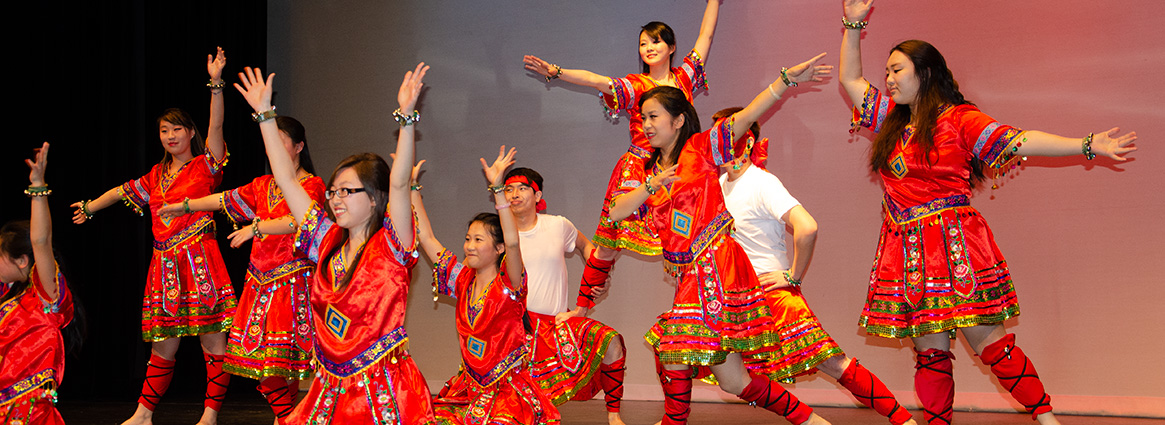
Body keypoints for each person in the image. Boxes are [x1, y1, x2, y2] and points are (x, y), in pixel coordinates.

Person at [838, 1, 1138, 424]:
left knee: (993, 347)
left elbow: (1019, 140)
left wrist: (1086, 144)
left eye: (896, 70)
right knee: (931, 356)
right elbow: (850, 79)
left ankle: (1047, 418)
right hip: (907, 254)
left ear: (924, 73)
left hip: (954, 247)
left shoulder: (959, 119)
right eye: (885, 71)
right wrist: (853, 23)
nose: (886, 79)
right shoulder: (891, 120)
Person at [607, 54, 833, 425]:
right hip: (690, 274)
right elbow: (616, 212)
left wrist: (784, 81)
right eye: (642, 117)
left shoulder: (700, 149)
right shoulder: (644, 169)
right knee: (734, 380)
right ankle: (811, 421)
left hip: (715, 264)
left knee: (673, 349)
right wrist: (650, 185)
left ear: (678, 120)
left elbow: (743, 118)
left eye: (653, 117)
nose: (645, 125)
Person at [234, 62, 437, 424]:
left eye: (347, 191)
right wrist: (265, 115)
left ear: (374, 198)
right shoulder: (324, 238)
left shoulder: (391, 244)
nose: (336, 199)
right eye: (332, 191)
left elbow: (401, 184)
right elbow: (285, 178)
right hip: (328, 387)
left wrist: (407, 118)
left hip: (383, 391)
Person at [522, 1, 720, 317]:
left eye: (655, 41)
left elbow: (705, 37)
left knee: (689, 242)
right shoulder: (636, 86)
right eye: (643, 43)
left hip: (678, 172)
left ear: (670, 47)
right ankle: (582, 310)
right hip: (638, 171)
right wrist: (557, 72)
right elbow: (596, 80)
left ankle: (694, 314)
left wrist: (713, 2)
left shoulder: (684, 78)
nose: (648, 48)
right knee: (608, 244)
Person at [72, 47, 236, 425]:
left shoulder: (206, 165)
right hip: (164, 267)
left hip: (200, 263)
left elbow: (217, 127)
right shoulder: (155, 175)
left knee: (213, 344)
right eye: (164, 130)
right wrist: (90, 207)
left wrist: (215, 84)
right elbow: (121, 191)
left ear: (190, 132)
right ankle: (144, 414)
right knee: (163, 346)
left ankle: (210, 415)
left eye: (177, 128)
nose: (170, 135)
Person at [158, 116, 325, 422]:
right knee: (264, 365)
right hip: (259, 285)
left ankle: (285, 418)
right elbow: (224, 199)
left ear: (299, 146)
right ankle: (288, 417)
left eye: (281, 140)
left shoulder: (312, 185)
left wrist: (255, 228)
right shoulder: (262, 185)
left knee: (282, 364)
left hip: (291, 285)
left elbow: (300, 220)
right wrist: (183, 206)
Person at [416, 147, 560, 425]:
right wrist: (410, 188)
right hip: (468, 387)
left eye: (478, 240)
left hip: (507, 392)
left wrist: (497, 189)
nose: (469, 246)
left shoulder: (510, 284)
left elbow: (514, 241)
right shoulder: (461, 280)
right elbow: (428, 239)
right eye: (468, 239)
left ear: (499, 248)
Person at [498, 166, 626, 425]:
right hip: (514, 329)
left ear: (537, 195)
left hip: (556, 322)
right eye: (508, 189)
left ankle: (614, 417)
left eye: (522, 188)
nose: (514, 194)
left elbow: (587, 247)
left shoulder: (557, 225)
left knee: (611, 342)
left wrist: (598, 277)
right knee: (521, 406)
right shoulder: (497, 234)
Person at [0, 143, 74, 425]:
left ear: (21, 261)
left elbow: (41, 241)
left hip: (31, 411)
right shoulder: (8, 296)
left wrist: (38, 188)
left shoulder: (46, 296)